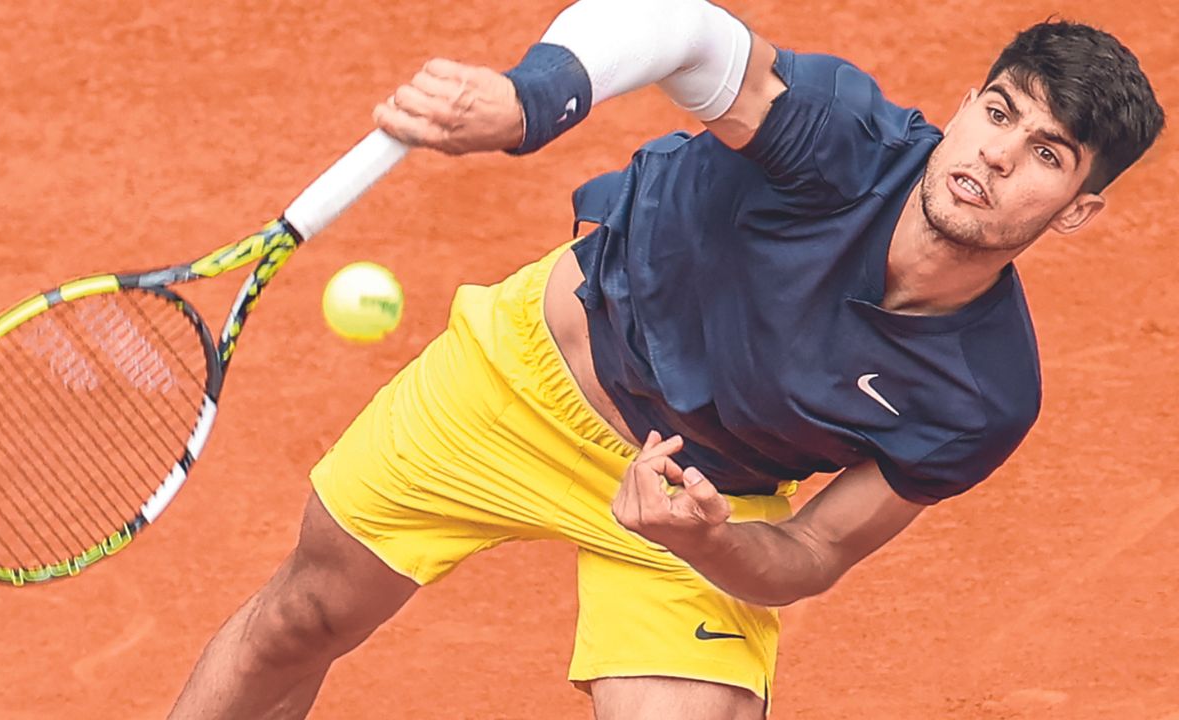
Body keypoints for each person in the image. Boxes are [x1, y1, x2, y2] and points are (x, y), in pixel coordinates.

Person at [169, 1, 1164, 717]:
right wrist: (532, 100)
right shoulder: (841, 144)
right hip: (517, 381)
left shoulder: (980, 393)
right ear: (963, 106)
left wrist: (703, 539)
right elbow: (679, 28)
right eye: (997, 112)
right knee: (300, 619)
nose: (995, 154)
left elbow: (814, 552)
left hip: (696, 491)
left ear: (1077, 209)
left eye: (1044, 153)